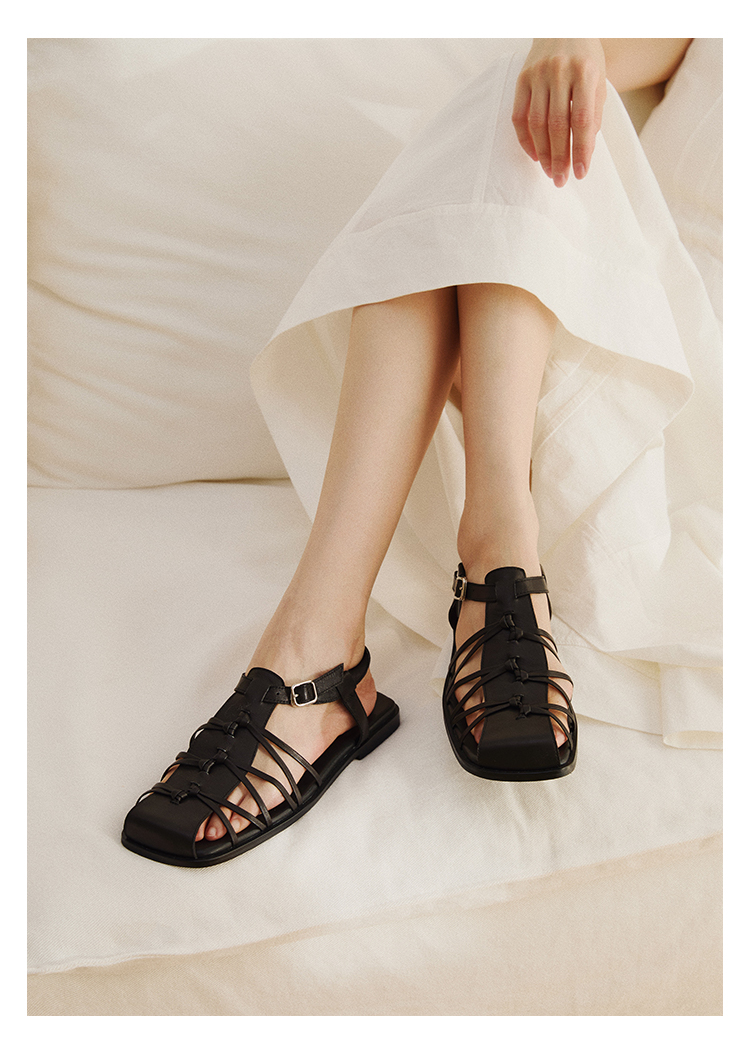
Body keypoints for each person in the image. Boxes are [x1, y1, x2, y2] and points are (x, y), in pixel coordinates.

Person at [122, 38, 699, 866]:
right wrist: (571, 31)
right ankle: (494, 550)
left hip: (679, 362)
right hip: (527, 336)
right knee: (527, 99)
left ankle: (327, 649)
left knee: (511, 126)